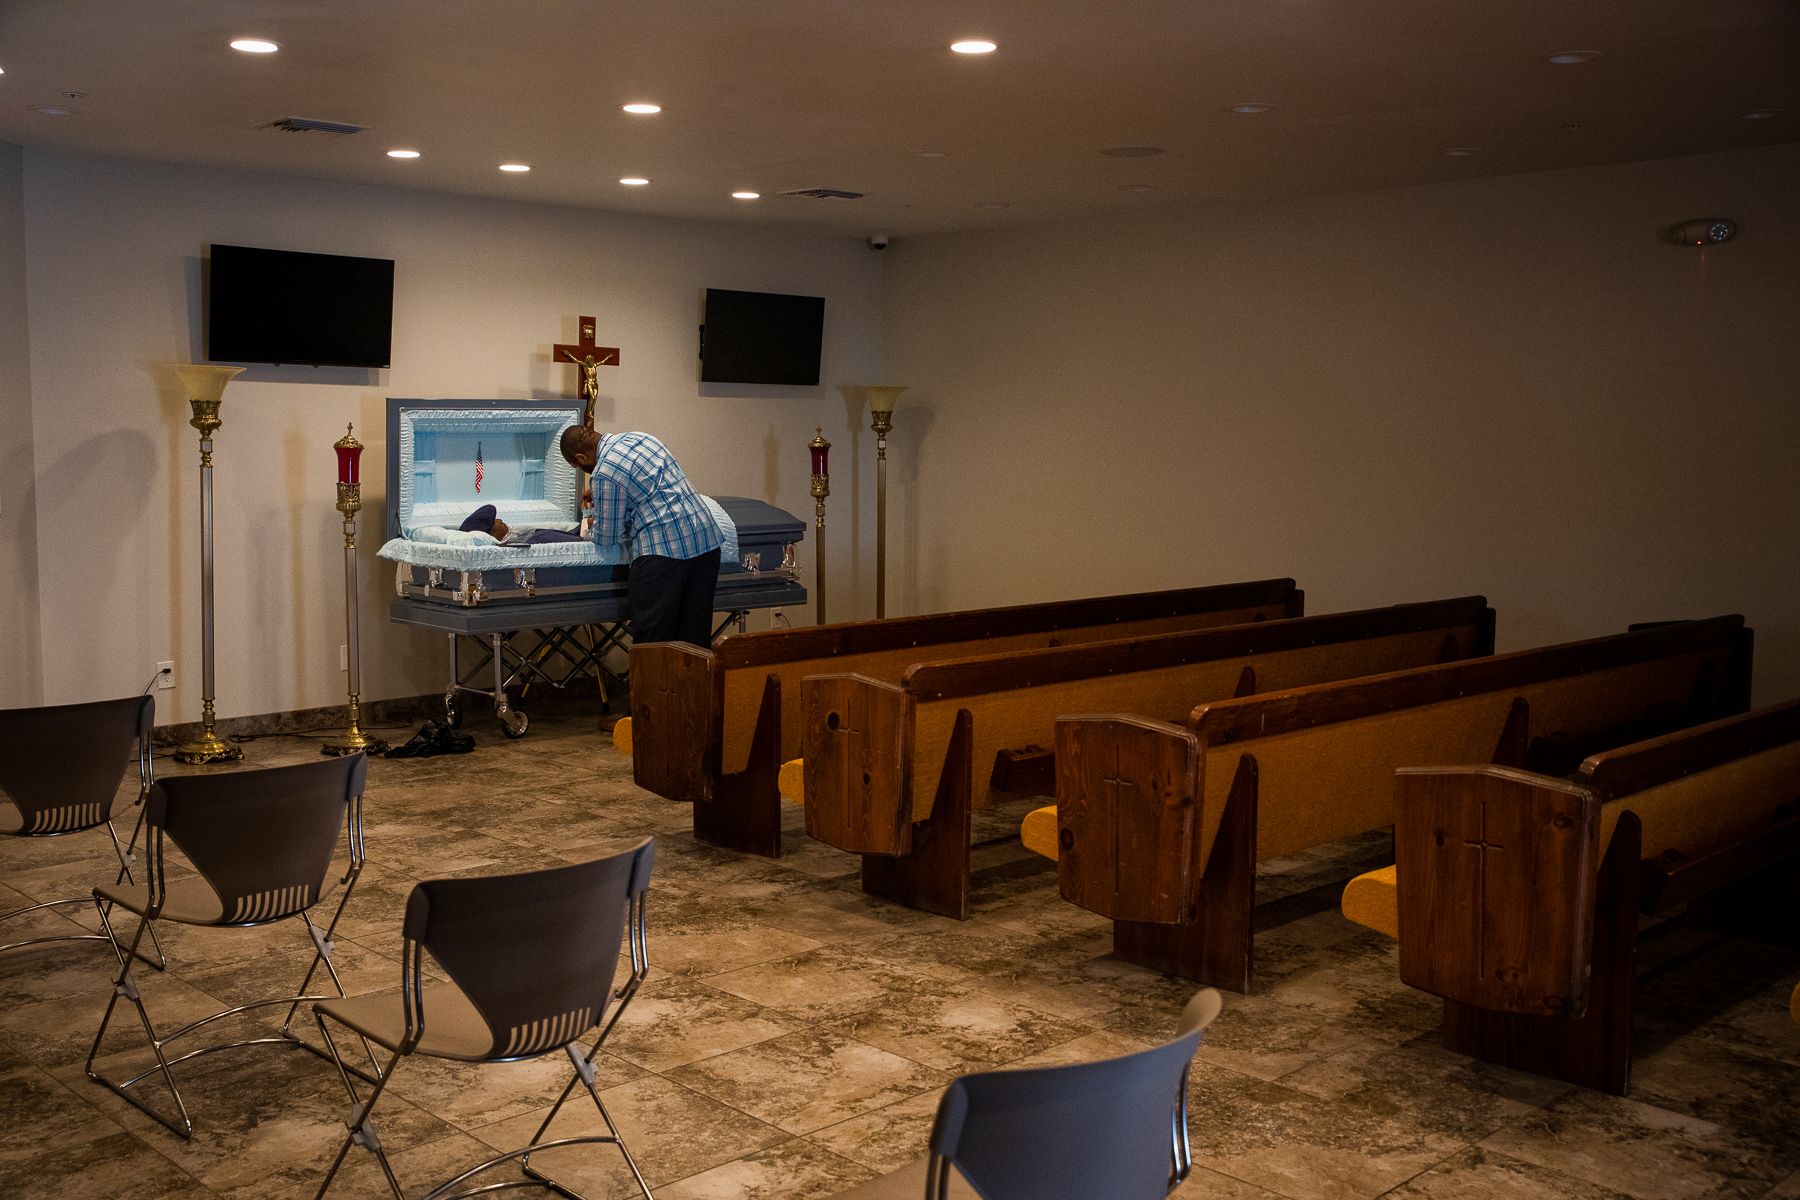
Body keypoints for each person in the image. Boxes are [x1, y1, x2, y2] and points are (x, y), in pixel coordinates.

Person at [558, 427, 723, 646]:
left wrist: (589, 525)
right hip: (705, 541)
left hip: (664, 552)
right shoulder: (641, 438)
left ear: (581, 458)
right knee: (693, 642)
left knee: (653, 643)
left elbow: (608, 537)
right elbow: (649, 489)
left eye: (580, 466)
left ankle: (653, 682)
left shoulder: (604, 472)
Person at [458, 503, 583, 545]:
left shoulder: (527, 537)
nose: (500, 520)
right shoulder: (533, 540)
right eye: (494, 522)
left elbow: (568, 535)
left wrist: (584, 525)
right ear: (490, 536)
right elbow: (578, 542)